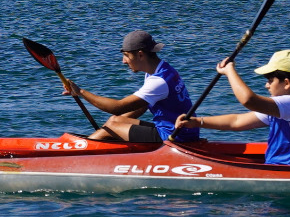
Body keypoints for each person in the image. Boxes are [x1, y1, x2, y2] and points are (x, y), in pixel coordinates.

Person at [173, 49, 290, 166]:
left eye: (270, 81)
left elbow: (249, 100)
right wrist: (198, 122)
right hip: (286, 167)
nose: (266, 85)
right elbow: (236, 121)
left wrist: (230, 71)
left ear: (286, 83)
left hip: (286, 170)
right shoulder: (288, 106)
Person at [60, 30, 198, 143]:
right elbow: (142, 106)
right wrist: (120, 125)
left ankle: (80, 151)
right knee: (115, 121)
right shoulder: (162, 69)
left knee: (113, 124)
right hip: (181, 130)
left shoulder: (158, 81)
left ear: (140, 55)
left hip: (175, 137)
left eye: (126, 55)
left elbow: (118, 107)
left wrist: (81, 92)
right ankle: (91, 145)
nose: (123, 61)